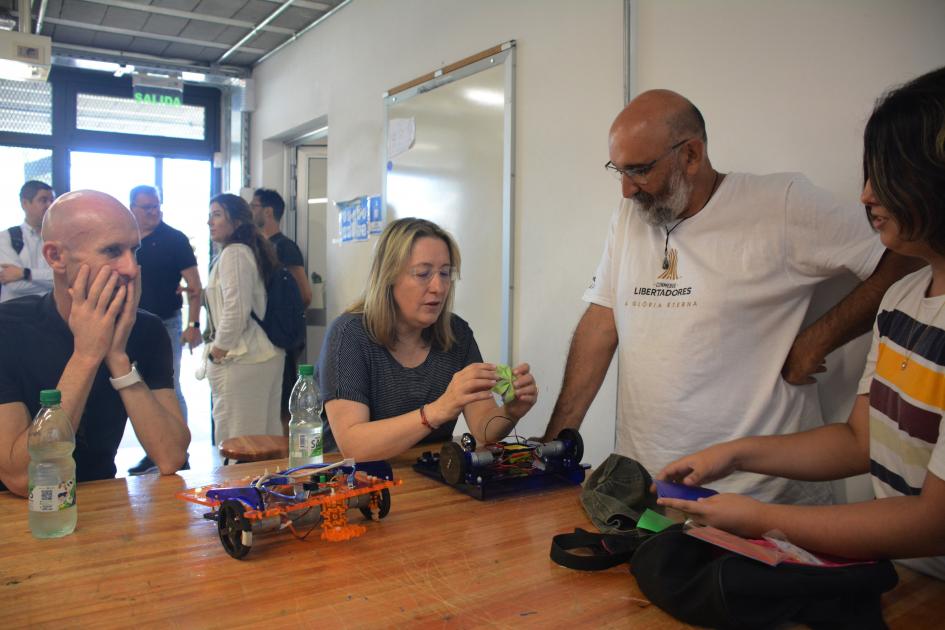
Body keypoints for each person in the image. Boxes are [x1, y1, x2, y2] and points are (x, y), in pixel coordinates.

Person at [542, 89, 922, 503]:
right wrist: (553, 446)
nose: (626, 191)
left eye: (640, 171)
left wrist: (819, 338)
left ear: (691, 154)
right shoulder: (631, 217)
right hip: (648, 489)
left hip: (760, 498)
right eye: (619, 171)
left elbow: (904, 253)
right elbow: (602, 322)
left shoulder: (780, 203)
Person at [657, 67, 945, 577]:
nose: (865, 196)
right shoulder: (903, 298)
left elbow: (933, 522)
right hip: (904, 579)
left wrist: (762, 518)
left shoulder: (783, 200)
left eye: (889, 176)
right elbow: (860, 441)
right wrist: (735, 455)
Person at [0, 190, 190, 497]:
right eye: (113, 251)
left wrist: (117, 357)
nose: (131, 268)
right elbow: (24, 477)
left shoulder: (146, 330)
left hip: (103, 507)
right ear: (56, 257)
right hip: (19, 517)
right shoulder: (8, 329)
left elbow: (170, 457)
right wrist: (86, 355)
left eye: (133, 250)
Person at [318, 217, 538, 461]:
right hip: (357, 485)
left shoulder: (457, 334)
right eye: (423, 273)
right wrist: (438, 410)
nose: (439, 287)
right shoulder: (349, 335)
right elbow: (353, 446)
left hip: (430, 479)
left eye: (445, 274)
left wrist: (510, 412)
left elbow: (483, 430)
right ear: (389, 276)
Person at [126, 185, 203, 475]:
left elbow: (195, 287)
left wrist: (193, 325)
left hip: (166, 323)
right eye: (146, 207)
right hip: (131, 323)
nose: (153, 212)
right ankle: (153, 450)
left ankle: (177, 451)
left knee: (168, 386)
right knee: (136, 387)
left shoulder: (174, 239)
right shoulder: (128, 240)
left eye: (156, 206)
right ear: (132, 207)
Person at [202, 193, 284, 445]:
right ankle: (266, 485)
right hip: (260, 356)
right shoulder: (245, 250)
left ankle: (244, 487)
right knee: (264, 441)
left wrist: (218, 350)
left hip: (243, 358)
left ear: (237, 221)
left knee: (240, 444)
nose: (209, 222)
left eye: (217, 215)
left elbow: (236, 309)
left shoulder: (235, 253)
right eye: (209, 215)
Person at [251, 188, 312, 431]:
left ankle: (287, 454)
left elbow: (305, 294)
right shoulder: (260, 246)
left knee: (283, 403)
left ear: (268, 211)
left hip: (283, 338)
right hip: (268, 338)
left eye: (254, 206)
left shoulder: (284, 247)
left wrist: (281, 320)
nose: (250, 211)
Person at [0, 181, 55, 303]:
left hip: (51, 311)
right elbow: (14, 285)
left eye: (52, 200)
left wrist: (25, 273)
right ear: (24, 203)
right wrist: (51, 280)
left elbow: (67, 277)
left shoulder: (59, 237)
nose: (50, 205)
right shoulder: (6, 237)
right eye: (43, 200)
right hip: (14, 313)